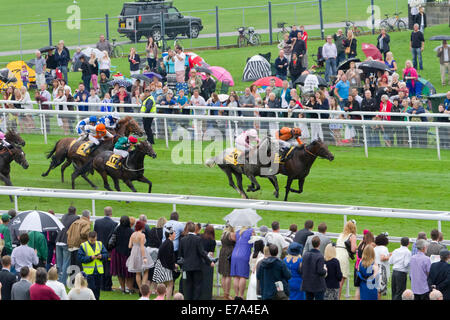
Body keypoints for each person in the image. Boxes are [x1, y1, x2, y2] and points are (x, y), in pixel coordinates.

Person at [178, 222, 214, 300]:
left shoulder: (183, 239)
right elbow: (202, 253)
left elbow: (180, 254)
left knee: (188, 285)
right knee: (197, 285)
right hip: (197, 266)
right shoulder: (198, 239)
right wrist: (209, 262)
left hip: (187, 266)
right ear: (194, 229)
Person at [78, 231, 108, 300]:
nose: (93, 241)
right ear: (88, 238)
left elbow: (106, 255)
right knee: (91, 289)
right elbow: (80, 258)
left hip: (98, 271)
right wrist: (90, 258)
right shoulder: (83, 245)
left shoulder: (100, 244)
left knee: (97, 290)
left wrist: (102, 256)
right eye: (91, 240)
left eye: (94, 240)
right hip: (88, 273)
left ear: (96, 237)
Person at [93, 208, 116, 290]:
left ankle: (100, 284)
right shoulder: (114, 224)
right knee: (107, 268)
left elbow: (94, 234)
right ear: (111, 213)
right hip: (108, 248)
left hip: (98, 247)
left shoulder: (97, 222)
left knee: (99, 266)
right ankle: (107, 286)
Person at [55, 206, 79, 286]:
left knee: (59, 262)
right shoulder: (76, 217)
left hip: (58, 240)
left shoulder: (64, 216)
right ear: (75, 211)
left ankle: (58, 279)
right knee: (66, 262)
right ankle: (62, 282)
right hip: (66, 241)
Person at [110, 216, 134, 293]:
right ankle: (130, 289)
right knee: (129, 273)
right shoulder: (131, 231)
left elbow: (112, 241)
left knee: (119, 272)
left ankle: (123, 289)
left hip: (117, 253)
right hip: (128, 253)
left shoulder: (116, 229)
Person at [152, 226, 177, 299]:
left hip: (161, 265)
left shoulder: (165, 243)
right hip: (164, 266)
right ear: (170, 235)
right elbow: (170, 258)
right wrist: (173, 267)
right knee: (170, 284)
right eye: (174, 234)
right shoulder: (170, 243)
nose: (175, 235)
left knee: (162, 286)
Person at [126, 221, 152, 293]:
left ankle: (141, 288)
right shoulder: (142, 235)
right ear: (142, 227)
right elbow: (142, 247)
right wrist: (144, 257)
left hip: (134, 252)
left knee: (138, 272)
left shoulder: (133, 234)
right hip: (141, 252)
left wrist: (135, 247)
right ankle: (143, 288)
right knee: (146, 270)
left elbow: (129, 246)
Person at [230, 226, 254, 299]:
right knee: (242, 276)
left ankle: (236, 295)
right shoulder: (251, 231)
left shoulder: (238, 232)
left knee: (236, 276)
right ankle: (241, 295)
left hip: (234, 254)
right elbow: (253, 243)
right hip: (244, 254)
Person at [299, 236, 327, 300]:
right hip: (317, 285)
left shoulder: (305, 255)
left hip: (307, 284)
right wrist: (325, 270)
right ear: (319, 244)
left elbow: (301, 269)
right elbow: (320, 271)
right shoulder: (320, 256)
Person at [335, 220, 357, 299]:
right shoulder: (352, 236)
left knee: (334, 280)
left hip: (336, 255)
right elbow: (353, 249)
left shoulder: (341, 235)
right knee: (340, 282)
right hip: (343, 257)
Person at [218, 224, 236, 300]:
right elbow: (237, 242)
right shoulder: (231, 234)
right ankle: (227, 294)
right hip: (229, 253)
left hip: (222, 252)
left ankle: (224, 293)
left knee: (223, 274)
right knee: (228, 274)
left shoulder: (223, 234)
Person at [199, 225, 216, 300]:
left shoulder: (200, 237)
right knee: (207, 280)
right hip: (207, 262)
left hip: (199, 260)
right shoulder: (212, 241)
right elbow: (211, 254)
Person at [374, 233, 390, 298]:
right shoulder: (384, 248)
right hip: (381, 270)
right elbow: (382, 258)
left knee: (375, 289)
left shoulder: (375, 248)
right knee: (379, 290)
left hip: (374, 268)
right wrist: (390, 256)